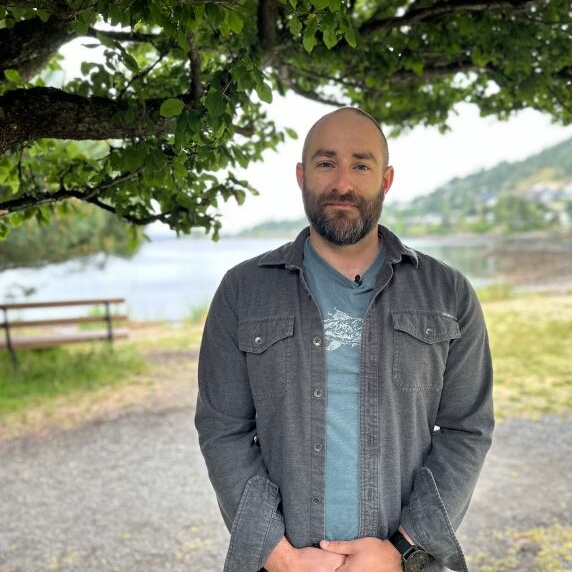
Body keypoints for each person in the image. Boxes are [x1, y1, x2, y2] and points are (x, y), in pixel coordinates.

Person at [195, 107, 494, 572]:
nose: (342, 183)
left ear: (386, 179)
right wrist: (278, 554)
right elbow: (223, 428)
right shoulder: (242, 291)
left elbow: (467, 429)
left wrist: (403, 550)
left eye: (361, 164)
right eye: (325, 162)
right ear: (301, 175)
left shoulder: (448, 293)